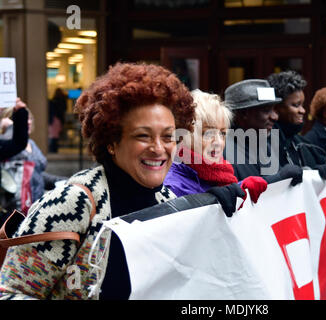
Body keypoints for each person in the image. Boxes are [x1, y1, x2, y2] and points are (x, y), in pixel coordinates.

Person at [0, 62, 197, 300]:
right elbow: (12, 293)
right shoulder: (74, 203)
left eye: (168, 137)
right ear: (112, 142)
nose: (158, 148)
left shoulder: (171, 203)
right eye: (143, 136)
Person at [164, 89, 269, 205]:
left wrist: (243, 187)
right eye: (208, 133)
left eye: (223, 133)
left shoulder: (218, 172)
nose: (219, 142)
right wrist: (211, 201)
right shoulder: (172, 186)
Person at [267, 71, 326, 178]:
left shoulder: (300, 142)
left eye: (302, 104)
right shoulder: (265, 144)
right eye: (296, 105)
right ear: (276, 108)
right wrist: (310, 173)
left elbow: (318, 161)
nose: (302, 111)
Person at [3, 108, 66, 214]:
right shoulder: (8, 144)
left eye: (30, 118)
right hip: (16, 209)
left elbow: (37, 174)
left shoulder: (31, 143)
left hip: (36, 204)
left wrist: (64, 181)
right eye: (24, 119)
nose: (28, 121)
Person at [223, 79, 282, 181]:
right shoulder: (223, 152)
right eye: (266, 110)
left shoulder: (263, 143)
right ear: (243, 113)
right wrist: (280, 177)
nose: (274, 116)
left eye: (274, 109)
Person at [48, 88, 67, 153]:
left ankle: (53, 150)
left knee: (53, 135)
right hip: (58, 119)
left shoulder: (53, 101)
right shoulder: (62, 101)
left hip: (54, 119)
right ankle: (54, 149)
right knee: (55, 135)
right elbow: (64, 110)